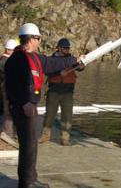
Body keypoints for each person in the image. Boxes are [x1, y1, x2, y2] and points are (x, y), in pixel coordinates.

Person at [5, 23, 82, 188]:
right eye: (38, 38)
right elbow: (11, 86)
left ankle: (30, 179)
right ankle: (27, 182)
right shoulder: (16, 59)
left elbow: (53, 63)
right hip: (22, 108)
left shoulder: (35, 58)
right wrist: (24, 101)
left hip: (29, 106)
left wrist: (75, 60)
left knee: (30, 144)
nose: (39, 41)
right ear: (31, 39)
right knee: (28, 144)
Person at [40, 38, 82, 146]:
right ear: (59, 48)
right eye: (64, 48)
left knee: (67, 115)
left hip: (68, 92)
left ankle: (65, 138)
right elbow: (47, 71)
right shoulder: (51, 60)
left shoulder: (72, 60)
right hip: (54, 91)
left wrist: (82, 65)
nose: (67, 49)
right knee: (49, 114)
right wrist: (58, 73)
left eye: (68, 48)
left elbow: (80, 68)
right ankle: (45, 135)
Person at [0, 39, 18, 136]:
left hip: (5, 88)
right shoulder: (5, 61)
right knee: (8, 112)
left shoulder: (2, 60)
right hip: (7, 88)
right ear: (8, 50)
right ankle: (8, 133)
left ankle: (9, 131)